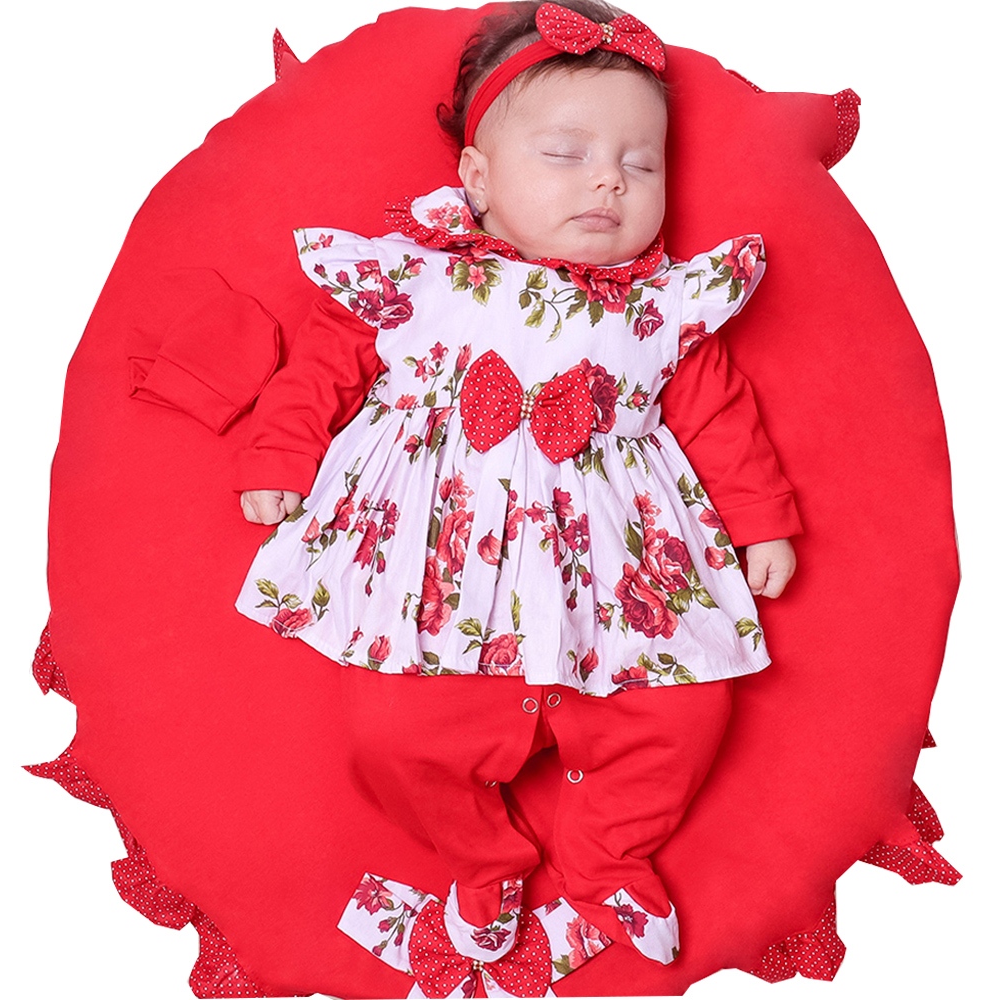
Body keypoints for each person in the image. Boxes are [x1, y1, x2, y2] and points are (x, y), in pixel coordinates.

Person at [233, 0, 800, 969]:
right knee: (390, 739)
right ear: (477, 178)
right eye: (567, 154)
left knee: (687, 712)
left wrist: (760, 520)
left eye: (640, 163)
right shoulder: (421, 279)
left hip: (619, 575)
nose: (608, 180)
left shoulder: (657, 308)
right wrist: (280, 455)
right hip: (442, 572)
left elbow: (719, 415)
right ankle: (480, 855)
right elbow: (325, 366)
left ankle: (611, 855)